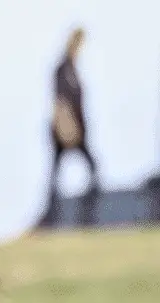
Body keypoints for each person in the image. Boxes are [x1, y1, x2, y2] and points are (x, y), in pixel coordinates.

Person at [49, 27, 98, 194]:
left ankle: (91, 196)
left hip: (76, 126)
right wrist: (67, 129)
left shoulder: (72, 69)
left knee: (89, 164)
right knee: (57, 168)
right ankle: (53, 204)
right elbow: (60, 100)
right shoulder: (62, 69)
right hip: (65, 128)